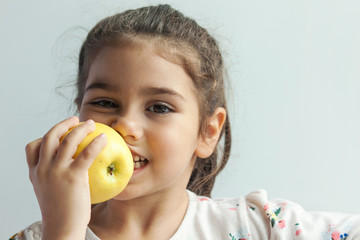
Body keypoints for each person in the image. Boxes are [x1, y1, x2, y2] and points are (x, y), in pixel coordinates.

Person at [10, 4, 360, 240]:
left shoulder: (262, 227)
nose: (125, 125)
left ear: (207, 131)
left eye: (159, 107)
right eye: (104, 102)